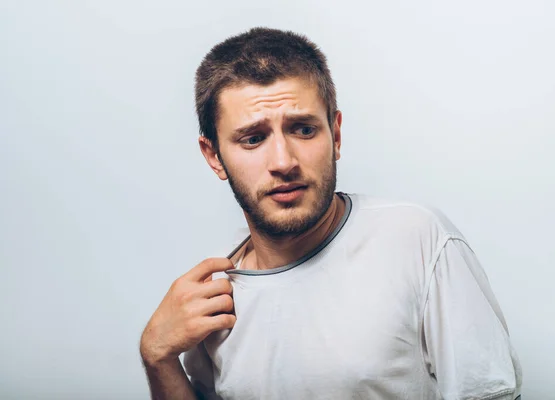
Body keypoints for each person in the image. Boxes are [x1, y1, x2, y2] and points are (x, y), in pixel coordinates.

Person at [139, 27, 523, 400]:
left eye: (303, 130)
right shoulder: (213, 298)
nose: (283, 161)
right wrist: (158, 356)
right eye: (253, 138)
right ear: (213, 156)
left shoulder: (418, 240)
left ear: (335, 136)